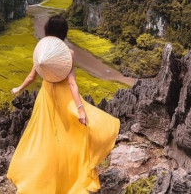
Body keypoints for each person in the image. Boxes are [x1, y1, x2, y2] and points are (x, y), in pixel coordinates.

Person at [7, 14, 120, 194]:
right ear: (64, 33)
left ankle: (41, 176)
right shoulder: (69, 53)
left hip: (46, 97)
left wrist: (19, 88)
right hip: (64, 97)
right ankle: (70, 175)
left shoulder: (42, 52)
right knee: (73, 134)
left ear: (48, 32)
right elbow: (72, 83)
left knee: (46, 137)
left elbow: (32, 76)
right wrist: (80, 109)